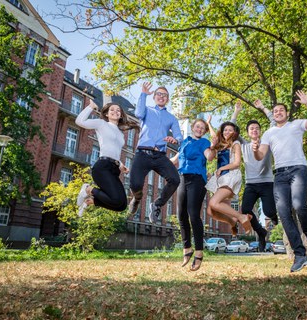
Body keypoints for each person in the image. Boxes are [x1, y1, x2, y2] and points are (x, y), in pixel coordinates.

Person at [252, 90, 307, 272]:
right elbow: (260, 155)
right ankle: (300, 255)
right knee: (283, 212)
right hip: (280, 174)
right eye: (275, 111)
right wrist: (255, 149)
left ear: (286, 113)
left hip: (298, 169)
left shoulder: (296, 125)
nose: (277, 112)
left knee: (298, 204)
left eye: (281, 110)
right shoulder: (268, 133)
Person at [128, 82, 183, 224]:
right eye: (158, 94)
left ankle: (157, 205)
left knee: (175, 179)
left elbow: (178, 136)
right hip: (142, 154)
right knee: (135, 185)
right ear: (154, 96)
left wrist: (175, 139)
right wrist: (143, 94)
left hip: (159, 156)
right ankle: (137, 198)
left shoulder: (171, 118)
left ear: (168, 99)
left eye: (164, 95)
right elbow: (138, 113)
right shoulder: (146, 110)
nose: (161, 97)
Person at [230, 100, 279, 252]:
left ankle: (274, 216)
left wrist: (263, 107)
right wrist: (236, 112)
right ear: (248, 132)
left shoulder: (266, 141)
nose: (254, 130)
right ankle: (261, 232)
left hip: (267, 183)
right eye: (251, 128)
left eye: (257, 128)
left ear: (260, 131)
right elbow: (230, 130)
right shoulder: (243, 144)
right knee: (245, 211)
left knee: (270, 212)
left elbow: (273, 122)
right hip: (251, 184)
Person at [75, 100, 139, 216]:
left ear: (121, 115)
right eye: (112, 110)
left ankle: (92, 201)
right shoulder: (101, 124)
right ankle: (88, 189)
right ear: (106, 114)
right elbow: (79, 121)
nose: (116, 112)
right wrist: (91, 107)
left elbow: (114, 150)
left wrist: (120, 164)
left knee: (122, 205)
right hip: (102, 167)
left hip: (114, 169)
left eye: (118, 110)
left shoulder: (120, 133)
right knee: (115, 199)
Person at [170, 119, 216, 271]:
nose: (199, 129)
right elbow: (174, 161)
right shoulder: (184, 142)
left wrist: (211, 149)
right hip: (183, 178)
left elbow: (209, 156)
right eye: (197, 126)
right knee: (180, 214)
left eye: (202, 128)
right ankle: (187, 248)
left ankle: (199, 252)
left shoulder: (204, 143)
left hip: (197, 179)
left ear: (204, 131)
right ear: (192, 128)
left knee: (193, 215)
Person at [205, 119, 252, 235]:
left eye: (230, 130)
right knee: (211, 211)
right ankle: (232, 221)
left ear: (235, 133)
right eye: (225, 130)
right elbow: (213, 136)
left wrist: (221, 168)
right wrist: (209, 124)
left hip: (231, 175)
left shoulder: (235, 144)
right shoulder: (220, 145)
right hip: (221, 179)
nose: (227, 132)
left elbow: (236, 163)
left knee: (213, 202)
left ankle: (242, 217)